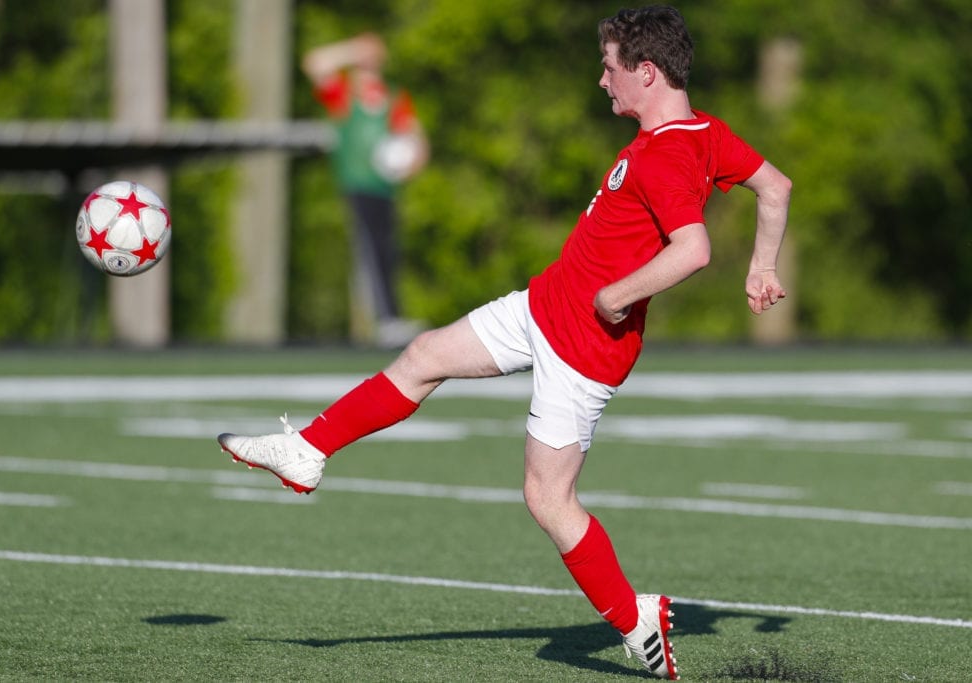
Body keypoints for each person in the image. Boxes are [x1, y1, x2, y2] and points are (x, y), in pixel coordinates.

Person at [220, 6, 791, 680]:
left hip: (584, 346)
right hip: (546, 304)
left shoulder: (669, 151)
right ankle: (307, 450)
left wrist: (619, 294)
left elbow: (692, 249)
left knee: (548, 499)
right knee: (424, 354)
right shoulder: (703, 133)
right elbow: (774, 187)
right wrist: (762, 266)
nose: (602, 80)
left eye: (610, 68)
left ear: (647, 70)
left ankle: (635, 621)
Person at [302, 33, 430, 349]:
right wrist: (351, 50)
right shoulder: (344, 92)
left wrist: (413, 158)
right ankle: (386, 320)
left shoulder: (392, 96)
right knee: (371, 246)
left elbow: (416, 138)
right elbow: (314, 62)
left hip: (385, 186)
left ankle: (391, 318)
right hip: (357, 184)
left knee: (388, 249)